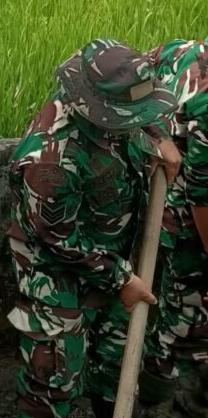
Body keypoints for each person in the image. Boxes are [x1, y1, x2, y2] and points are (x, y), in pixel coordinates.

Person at [7, 39, 181, 418]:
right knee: (55, 378)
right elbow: (57, 240)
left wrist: (159, 138)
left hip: (114, 255)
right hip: (58, 275)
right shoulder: (50, 162)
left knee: (116, 359)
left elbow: (138, 105)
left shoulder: (108, 101)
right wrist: (121, 278)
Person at [140, 39, 208, 417]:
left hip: (185, 198)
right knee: (184, 318)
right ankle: (159, 401)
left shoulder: (182, 48)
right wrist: (160, 137)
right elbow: (203, 196)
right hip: (187, 217)